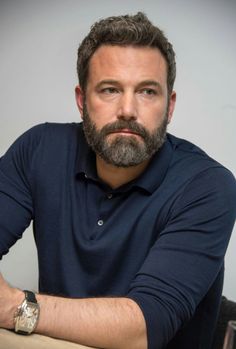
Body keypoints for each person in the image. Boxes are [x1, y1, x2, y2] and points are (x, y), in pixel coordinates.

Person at [0, 12, 235, 349]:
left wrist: (13, 307)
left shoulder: (208, 186)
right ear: (82, 101)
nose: (127, 109)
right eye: (110, 89)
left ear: (169, 107)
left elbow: (143, 328)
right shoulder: (38, 150)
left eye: (147, 92)